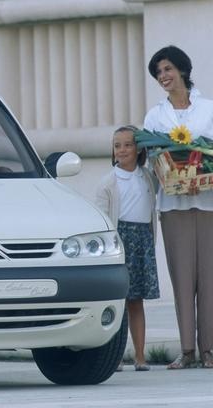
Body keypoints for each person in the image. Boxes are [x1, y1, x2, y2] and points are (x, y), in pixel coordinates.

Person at [144, 45, 213, 369]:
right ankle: (187, 350)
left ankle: (209, 349)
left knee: (209, 278)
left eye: (168, 69)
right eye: (159, 72)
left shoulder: (208, 109)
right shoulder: (155, 116)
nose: (163, 76)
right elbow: (152, 159)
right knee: (182, 278)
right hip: (173, 205)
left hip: (208, 202)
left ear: (182, 69)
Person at [95, 125, 159, 371]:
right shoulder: (108, 182)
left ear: (139, 149)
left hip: (142, 241)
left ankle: (140, 357)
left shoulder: (148, 177)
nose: (122, 150)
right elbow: (102, 218)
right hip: (120, 240)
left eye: (128, 145)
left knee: (136, 301)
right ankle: (116, 357)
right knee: (118, 301)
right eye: (117, 146)